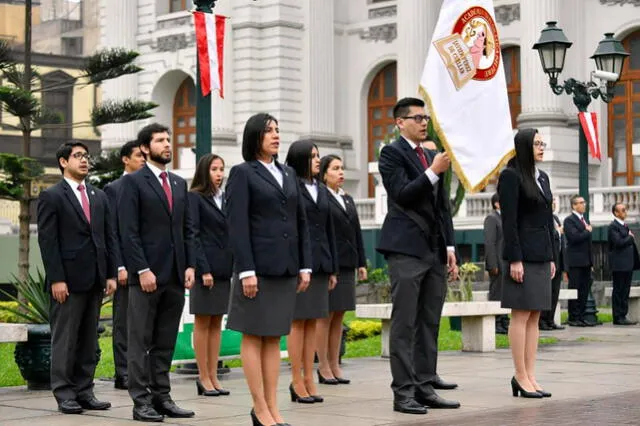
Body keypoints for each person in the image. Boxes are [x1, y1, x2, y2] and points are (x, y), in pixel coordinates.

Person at [225, 113, 312, 426]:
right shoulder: (242, 174)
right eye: (268, 131)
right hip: (257, 270)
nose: (275, 136)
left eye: (277, 130)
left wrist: (305, 265)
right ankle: (259, 408)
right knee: (254, 335)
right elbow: (236, 226)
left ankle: (273, 409)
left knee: (275, 337)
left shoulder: (289, 173)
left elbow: (300, 220)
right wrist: (246, 270)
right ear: (254, 137)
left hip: (286, 267)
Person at [376, 97, 460, 415]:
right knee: (405, 323)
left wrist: (450, 247)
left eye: (426, 117)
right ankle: (403, 393)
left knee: (429, 321)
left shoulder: (428, 155)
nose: (424, 122)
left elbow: (442, 207)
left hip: (434, 249)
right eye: (417, 117)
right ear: (400, 123)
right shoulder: (391, 154)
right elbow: (402, 194)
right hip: (405, 248)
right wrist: (433, 173)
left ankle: (425, 386)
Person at [119, 123, 196, 422]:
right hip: (147, 278)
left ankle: (162, 396)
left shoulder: (178, 183)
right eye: (160, 140)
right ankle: (141, 403)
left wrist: (189, 265)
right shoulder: (133, 183)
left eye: (168, 139)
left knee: (165, 341)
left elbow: (187, 228)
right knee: (140, 341)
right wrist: (142, 269)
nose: (167, 144)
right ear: (144, 148)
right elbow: (129, 232)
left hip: (176, 276)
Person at [37, 142, 117, 414]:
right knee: (66, 339)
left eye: (86, 156)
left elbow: (108, 238)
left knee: (88, 340)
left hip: (95, 279)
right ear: (63, 162)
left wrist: (110, 273)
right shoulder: (52, 196)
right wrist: (57, 279)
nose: (84, 160)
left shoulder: (99, 196)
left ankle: (85, 391)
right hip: (67, 282)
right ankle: (64, 393)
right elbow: (48, 242)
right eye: (78, 156)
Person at [498, 128, 555, 399]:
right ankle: (520, 376)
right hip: (522, 256)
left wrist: (552, 256)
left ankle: (531, 375)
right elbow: (508, 221)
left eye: (542, 143)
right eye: (536, 144)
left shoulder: (542, 177)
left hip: (542, 254)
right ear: (523, 147)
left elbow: (547, 220)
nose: (541, 148)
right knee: (520, 315)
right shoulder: (510, 176)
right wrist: (515, 259)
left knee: (535, 315)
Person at [285, 141, 338, 403]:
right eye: (312, 156)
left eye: (318, 156)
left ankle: (309, 378)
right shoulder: (290, 185)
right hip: (299, 265)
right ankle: (296, 380)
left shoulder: (322, 189)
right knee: (298, 323)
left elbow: (329, 231)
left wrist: (332, 268)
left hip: (321, 265)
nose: (318, 160)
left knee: (312, 322)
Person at [316, 154, 367, 385]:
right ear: (324, 173)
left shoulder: (347, 199)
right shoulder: (321, 197)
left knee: (339, 315)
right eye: (335, 168)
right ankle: (323, 366)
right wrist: (330, 267)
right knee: (325, 316)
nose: (341, 172)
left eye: (342, 168)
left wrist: (362, 263)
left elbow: (356, 231)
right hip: (330, 265)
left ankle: (335, 363)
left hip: (348, 263)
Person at [188, 154, 234, 396]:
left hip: (224, 270)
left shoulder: (225, 199)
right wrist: (203, 269)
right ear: (204, 172)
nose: (219, 173)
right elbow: (193, 235)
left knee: (217, 323)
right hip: (205, 271)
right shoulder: (195, 198)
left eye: (221, 169)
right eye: (214, 169)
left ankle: (214, 376)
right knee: (203, 322)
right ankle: (203, 376)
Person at [104, 139, 146, 390]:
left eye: (144, 155)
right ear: (125, 159)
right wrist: (118, 265)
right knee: (124, 322)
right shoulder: (114, 188)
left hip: (149, 269)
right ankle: (123, 373)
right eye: (138, 155)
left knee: (144, 324)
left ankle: (141, 371)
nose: (142, 158)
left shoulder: (149, 186)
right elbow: (113, 231)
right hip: (125, 269)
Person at [563, 195, 595, 327]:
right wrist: (587, 231)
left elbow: (588, 244)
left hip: (586, 261)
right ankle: (573, 317)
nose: (584, 204)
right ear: (574, 205)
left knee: (584, 289)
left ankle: (581, 316)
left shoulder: (584, 220)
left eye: (584, 202)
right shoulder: (569, 220)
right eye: (581, 202)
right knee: (575, 289)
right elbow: (573, 238)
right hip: (575, 261)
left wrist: (591, 262)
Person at [607, 202, 640, 325]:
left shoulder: (624, 225)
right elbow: (618, 242)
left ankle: (623, 315)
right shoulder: (613, 226)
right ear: (616, 212)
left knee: (625, 290)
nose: (625, 212)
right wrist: (630, 237)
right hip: (619, 265)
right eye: (623, 210)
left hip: (628, 264)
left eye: (625, 209)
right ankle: (618, 316)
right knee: (619, 290)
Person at [539, 198, 566, 330]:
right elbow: (546, 235)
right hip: (548, 260)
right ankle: (542, 320)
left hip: (558, 259)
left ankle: (550, 319)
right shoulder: (543, 217)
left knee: (555, 292)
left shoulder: (555, 217)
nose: (554, 204)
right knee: (547, 292)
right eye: (552, 201)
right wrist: (557, 232)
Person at [483, 193, 508, 334]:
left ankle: (504, 320)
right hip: (497, 263)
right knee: (496, 293)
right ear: (497, 204)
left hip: (506, 263)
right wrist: (492, 265)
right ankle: (496, 321)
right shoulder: (492, 218)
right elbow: (490, 243)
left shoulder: (505, 219)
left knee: (505, 294)